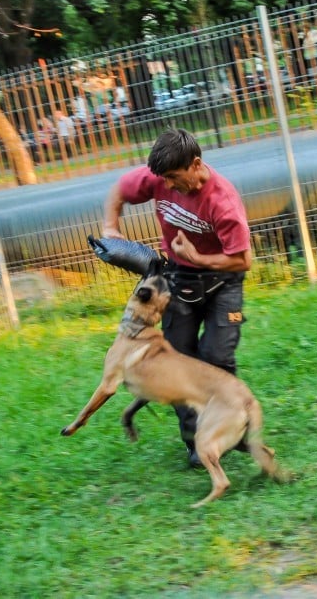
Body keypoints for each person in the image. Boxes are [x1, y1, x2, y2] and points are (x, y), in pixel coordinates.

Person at [102, 128, 252, 468]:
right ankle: (196, 444)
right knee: (179, 359)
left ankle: (235, 428)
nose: (167, 186)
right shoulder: (159, 178)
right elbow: (119, 190)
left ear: (195, 164)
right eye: (163, 179)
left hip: (223, 282)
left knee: (217, 355)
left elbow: (243, 259)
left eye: (173, 178)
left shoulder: (222, 201)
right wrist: (111, 227)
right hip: (178, 280)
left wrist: (199, 258)